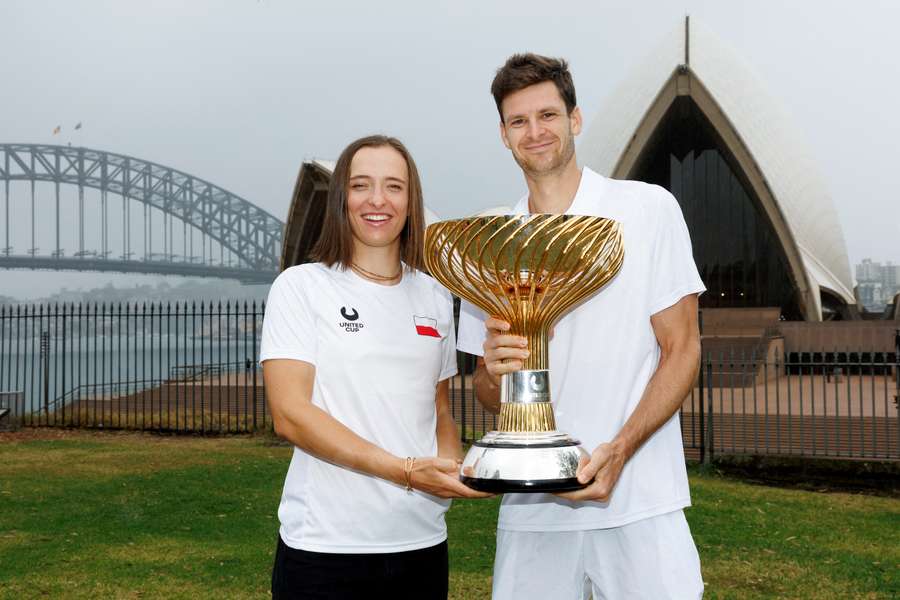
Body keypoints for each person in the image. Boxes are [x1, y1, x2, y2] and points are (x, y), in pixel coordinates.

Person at [456, 54, 706, 599]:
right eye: (518, 121)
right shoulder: (489, 242)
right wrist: (496, 372)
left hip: (640, 502)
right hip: (532, 514)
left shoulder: (645, 209)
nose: (535, 131)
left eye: (548, 115)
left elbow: (682, 348)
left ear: (575, 119)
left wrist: (620, 449)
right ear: (503, 135)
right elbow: (485, 391)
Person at [260, 135, 488, 600]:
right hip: (325, 549)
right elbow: (290, 414)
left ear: (411, 200)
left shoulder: (435, 296)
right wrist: (403, 470)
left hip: (421, 543)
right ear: (342, 196)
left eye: (393, 186)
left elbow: (439, 410)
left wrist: (451, 473)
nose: (377, 200)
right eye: (361, 185)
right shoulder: (301, 287)